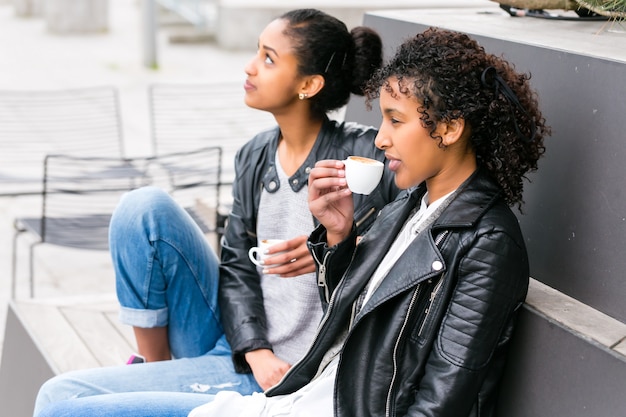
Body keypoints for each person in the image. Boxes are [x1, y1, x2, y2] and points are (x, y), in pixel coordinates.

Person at [34, 8, 399, 417]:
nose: (249, 67)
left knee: (58, 400)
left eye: (268, 58)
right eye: (257, 52)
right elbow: (237, 266)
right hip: (244, 348)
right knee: (143, 208)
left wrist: (334, 245)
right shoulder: (255, 155)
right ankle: (158, 372)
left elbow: (414, 233)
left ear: (309, 84)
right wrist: (254, 348)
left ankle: (162, 387)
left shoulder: (366, 158)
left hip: (293, 372)